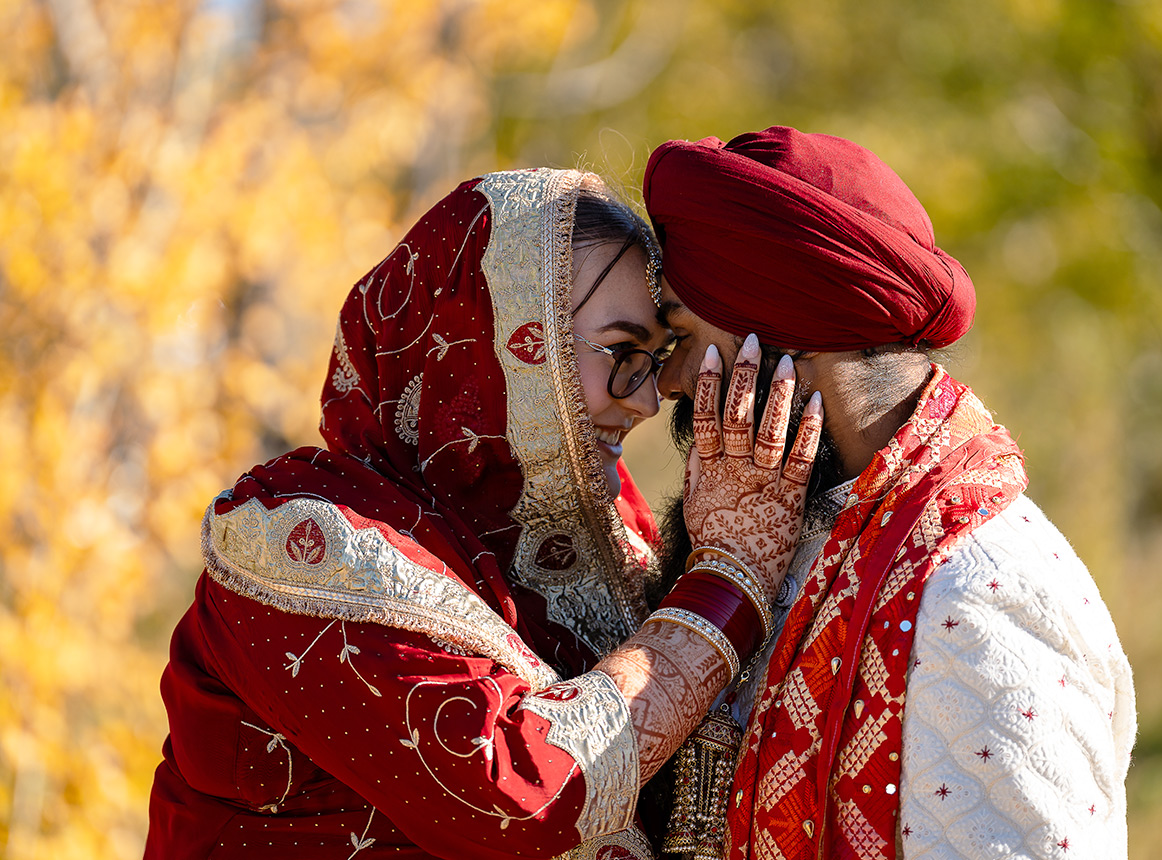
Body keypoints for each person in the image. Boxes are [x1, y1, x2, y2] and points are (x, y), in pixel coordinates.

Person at [144, 166, 823, 860]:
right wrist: (729, 577)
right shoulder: (299, 542)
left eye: (656, 359)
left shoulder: (613, 533)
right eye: (622, 352)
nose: (646, 401)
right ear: (487, 341)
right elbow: (519, 794)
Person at [643, 128, 1137, 860]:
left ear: (786, 332)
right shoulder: (794, 525)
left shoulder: (976, 592)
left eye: (682, 337)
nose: (668, 383)